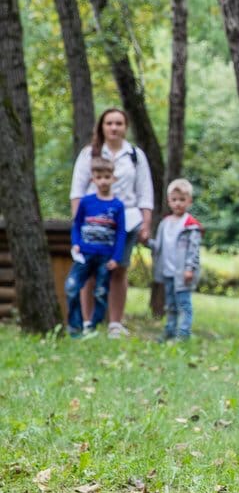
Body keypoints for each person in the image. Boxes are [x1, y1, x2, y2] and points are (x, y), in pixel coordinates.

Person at [69, 108, 154, 338]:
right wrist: (78, 223)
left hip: (126, 220)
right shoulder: (90, 153)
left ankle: (115, 323)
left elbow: (145, 192)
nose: (114, 128)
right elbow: (77, 190)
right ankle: (88, 322)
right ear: (102, 126)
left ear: (125, 126)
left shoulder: (135, 155)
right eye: (109, 123)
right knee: (90, 271)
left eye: (118, 123)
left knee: (119, 269)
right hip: (93, 221)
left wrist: (146, 224)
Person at [65, 158, 126, 338]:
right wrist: (76, 243)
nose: (103, 181)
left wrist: (116, 257)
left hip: (105, 257)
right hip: (84, 254)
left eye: (107, 177)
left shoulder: (117, 205)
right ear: (93, 179)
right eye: (99, 177)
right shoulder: (86, 202)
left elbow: (121, 233)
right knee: (72, 286)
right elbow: (76, 225)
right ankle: (75, 327)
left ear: (113, 178)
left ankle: (94, 326)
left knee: (100, 292)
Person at [150, 178, 203, 342]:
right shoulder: (165, 223)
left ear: (189, 201)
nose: (178, 204)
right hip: (167, 271)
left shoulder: (190, 225)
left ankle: (184, 333)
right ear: (169, 201)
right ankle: (170, 330)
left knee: (184, 304)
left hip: (182, 273)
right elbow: (158, 246)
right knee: (170, 304)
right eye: (174, 200)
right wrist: (146, 242)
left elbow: (194, 250)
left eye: (182, 200)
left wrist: (190, 268)